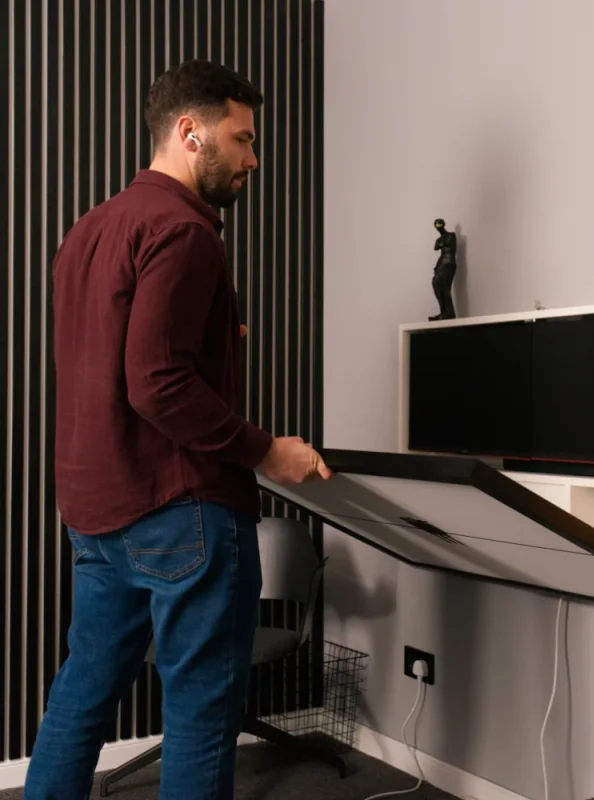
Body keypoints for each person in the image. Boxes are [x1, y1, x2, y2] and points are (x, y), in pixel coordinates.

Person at [24, 59, 330, 800]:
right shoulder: (185, 232)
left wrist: (216, 339)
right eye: (242, 138)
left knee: (81, 696)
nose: (254, 159)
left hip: (97, 517)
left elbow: (113, 355)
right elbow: (155, 381)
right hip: (181, 514)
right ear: (190, 133)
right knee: (200, 718)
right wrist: (268, 451)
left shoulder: (87, 231)